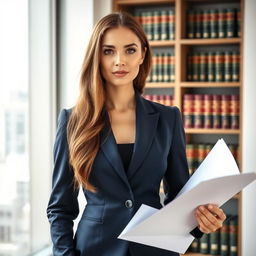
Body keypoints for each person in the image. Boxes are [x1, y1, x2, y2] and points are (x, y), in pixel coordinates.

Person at [47, 12, 226, 256]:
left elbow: (179, 200)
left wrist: (201, 223)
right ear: (96, 57)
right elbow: (60, 208)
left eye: (129, 50)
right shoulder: (72, 121)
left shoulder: (168, 118)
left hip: (155, 249)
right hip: (94, 249)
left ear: (142, 54)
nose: (119, 61)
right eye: (108, 51)